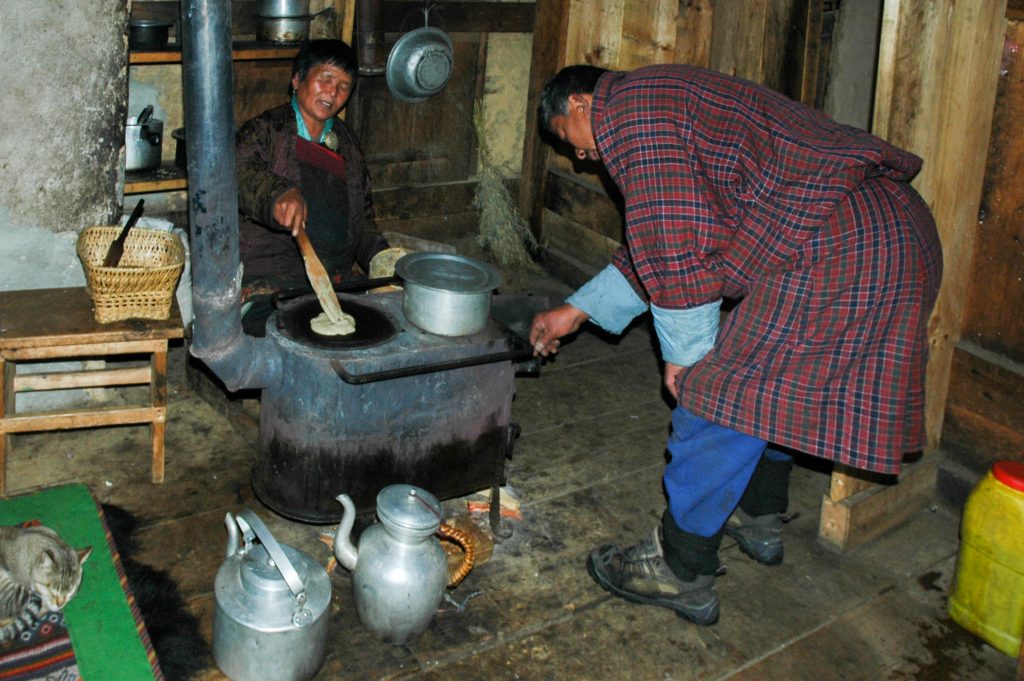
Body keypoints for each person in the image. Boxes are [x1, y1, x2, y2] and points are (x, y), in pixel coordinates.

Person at [528, 64, 943, 626]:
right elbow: (662, 243)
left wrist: (685, 360)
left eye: (566, 139)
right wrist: (574, 310)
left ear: (580, 104)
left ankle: (680, 567)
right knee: (775, 384)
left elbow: (674, 253)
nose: (580, 157)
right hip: (891, 231)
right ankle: (759, 513)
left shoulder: (629, 117)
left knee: (720, 395)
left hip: (840, 245)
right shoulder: (662, 102)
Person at [236, 39, 391, 335]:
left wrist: (384, 259)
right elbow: (238, 174)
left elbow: (363, 222)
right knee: (290, 334)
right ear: (297, 79)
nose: (333, 92)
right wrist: (276, 193)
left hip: (336, 278)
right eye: (326, 79)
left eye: (344, 86)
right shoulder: (265, 131)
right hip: (273, 278)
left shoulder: (349, 145)